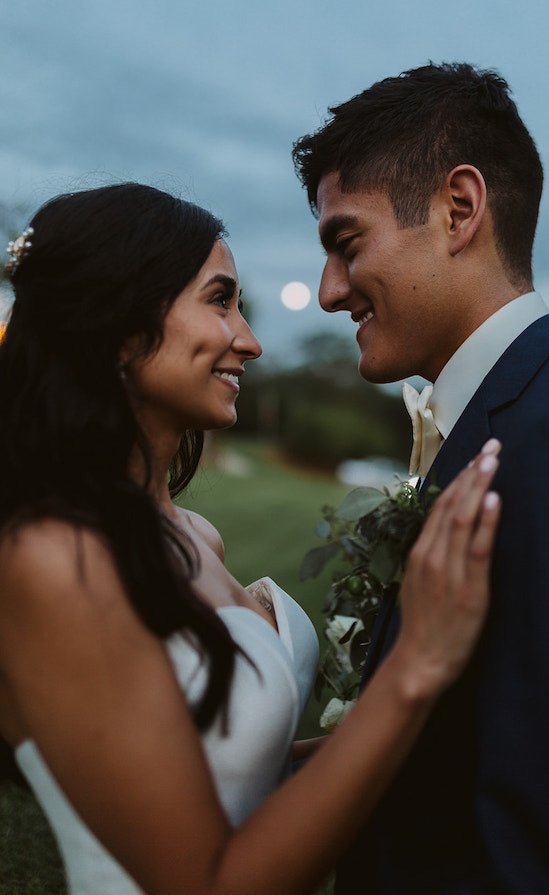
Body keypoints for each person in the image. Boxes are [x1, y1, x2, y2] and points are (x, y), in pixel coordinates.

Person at [0, 182, 502, 895]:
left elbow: (236, 775)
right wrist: (414, 667)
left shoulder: (193, 535)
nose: (251, 338)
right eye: (219, 299)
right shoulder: (54, 560)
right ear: (118, 323)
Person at [292, 62, 549, 895]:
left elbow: (548, 836)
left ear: (459, 209)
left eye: (347, 244)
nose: (328, 292)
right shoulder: (511, 411)